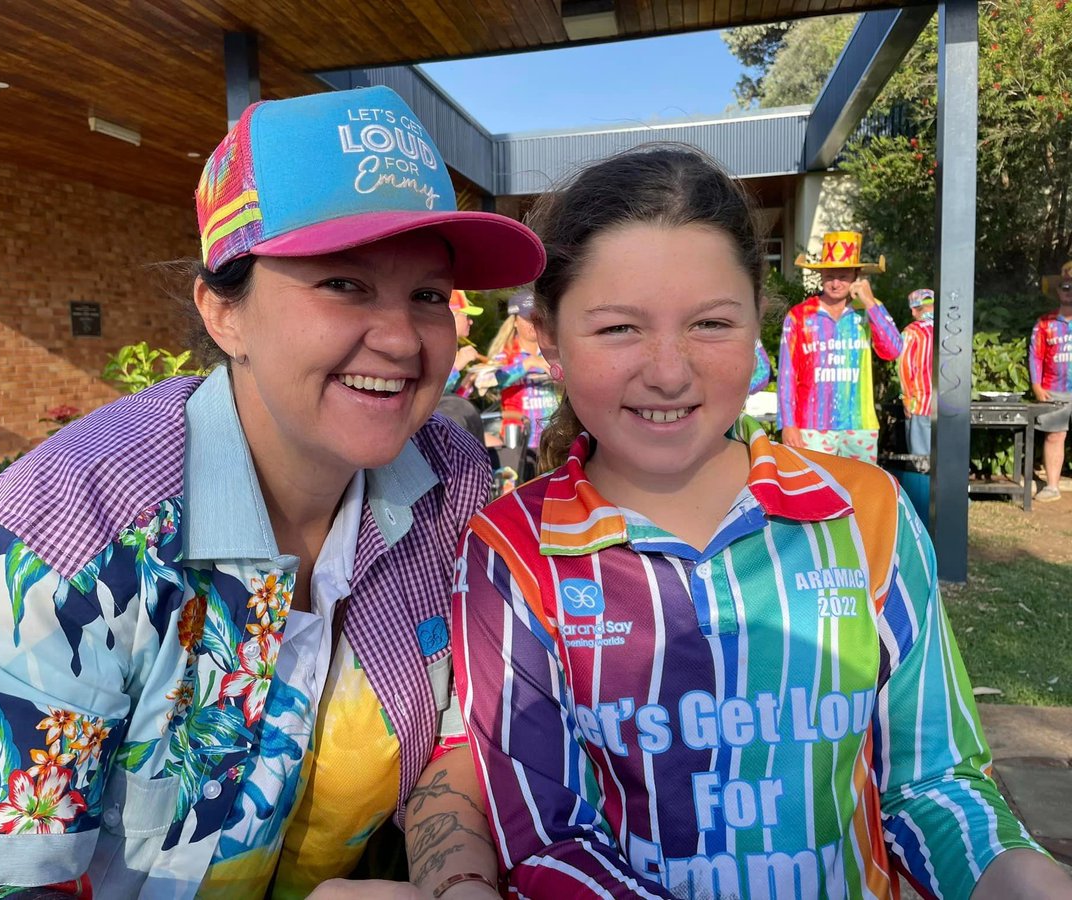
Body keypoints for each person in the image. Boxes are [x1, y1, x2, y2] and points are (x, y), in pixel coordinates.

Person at [0, 86, 546, 899]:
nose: (404, 339)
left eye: (427, 295)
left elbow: (457, 733)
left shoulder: (451, 485)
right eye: (343, 283)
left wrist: (458, 884)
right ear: (222, 312)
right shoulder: (66, 541)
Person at [451, 145, 1071, 899]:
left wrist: (1022, 877)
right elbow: (550, 839)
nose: (670, 371)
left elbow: (931, 781)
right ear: (548, 339)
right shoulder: (511, 551)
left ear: (758, 324)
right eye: (619, 329)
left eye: (711, 323)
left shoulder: (866, 513)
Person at [778, 231, 903, 463]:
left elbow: (893, 350)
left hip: (860, 426)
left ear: (857, 276)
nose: (835, 283)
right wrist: (788, 423)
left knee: (858, 496)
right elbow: (787, 375)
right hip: (811, 427)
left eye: (843, 276)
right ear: (821, 275)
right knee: (814, 493)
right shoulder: (799, 316)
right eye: (829, 276)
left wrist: (870, 302)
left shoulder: (869, 310)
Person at [488, 290, 559, 451]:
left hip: (553, 439)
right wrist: (529, 363)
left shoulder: (554, 351)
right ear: (514, 321)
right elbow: (494, 382)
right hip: (519, 440)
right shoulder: (504, 355)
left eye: (537, 318)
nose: (533, 324)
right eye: (528, 319)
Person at [1030, 261, 1072, 502]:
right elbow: (1035, 355)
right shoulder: (1044, 323)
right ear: (1058, 291)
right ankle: (1052, 486)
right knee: (1055, 436)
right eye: (1065, 287)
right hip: (1053, 390)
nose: (1069, 291)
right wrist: (1036, 384)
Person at [436, 290, 488, 441]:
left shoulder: (450, 348)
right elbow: (426, 393)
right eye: (466, 316)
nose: (471, 321)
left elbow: (452, 401)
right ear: (451, 316)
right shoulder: (434, 348)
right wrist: (457, 366)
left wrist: (467, 383)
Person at [899, 288, 935, 456]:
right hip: (951, 406)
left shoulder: (912, 332)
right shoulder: (951, 330)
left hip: (921, 403)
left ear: (914, 310)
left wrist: (906, 399)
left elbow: (905, 367)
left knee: (921, 462)